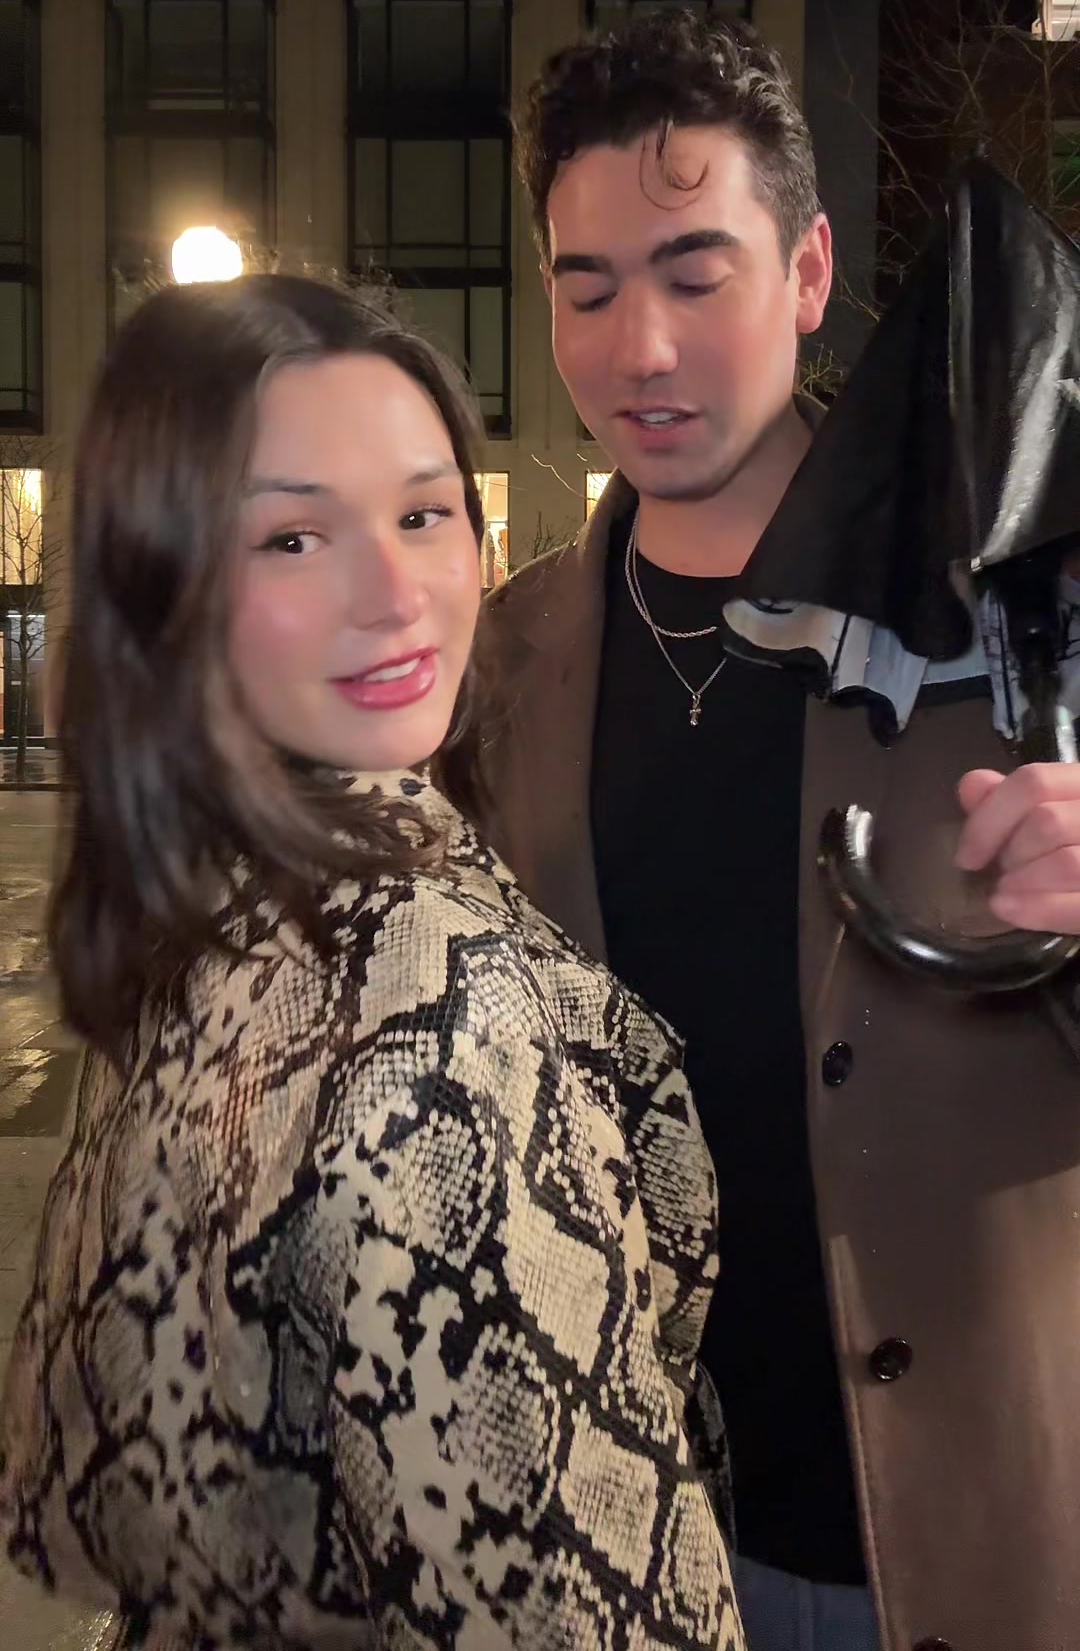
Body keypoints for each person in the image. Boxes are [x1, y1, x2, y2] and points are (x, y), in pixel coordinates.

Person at [0, 275, 746, 1651]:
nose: (397, 594)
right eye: (293, 537)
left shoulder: (201, 905)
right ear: (168, 588)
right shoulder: (437, 1023)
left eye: (423, 514)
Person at [476, 8, 1080, 1651]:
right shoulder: (503, 666)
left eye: (697, 274)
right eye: (588, 289)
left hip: (981, 1542)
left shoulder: (1012, 617)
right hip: (638, 1547)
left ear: (809, 274)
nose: (640, 349)